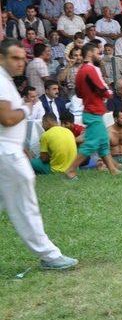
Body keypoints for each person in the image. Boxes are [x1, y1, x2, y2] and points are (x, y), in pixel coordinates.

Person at [0, 39, 77, 270]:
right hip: (7, 152)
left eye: (23, 58)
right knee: (27, 207)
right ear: (2, 58)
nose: (21, 63)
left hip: (8, 151)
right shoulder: (2, 82)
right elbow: (6, 118)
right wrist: (26, 107)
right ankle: (50, 256)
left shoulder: (6, 81)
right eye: (15, 58)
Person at [65, 43, 120, 179]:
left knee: (102, 142)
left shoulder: (80, 71)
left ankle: (113, 169)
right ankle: (70, 170)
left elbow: (78, 93)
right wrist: (109, 93)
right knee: (91, 143)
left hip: (90, 110)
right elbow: (102, 88)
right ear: (90, 53)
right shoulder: (91, 69)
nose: (99, 55)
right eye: (97, 52)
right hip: (94, 111)